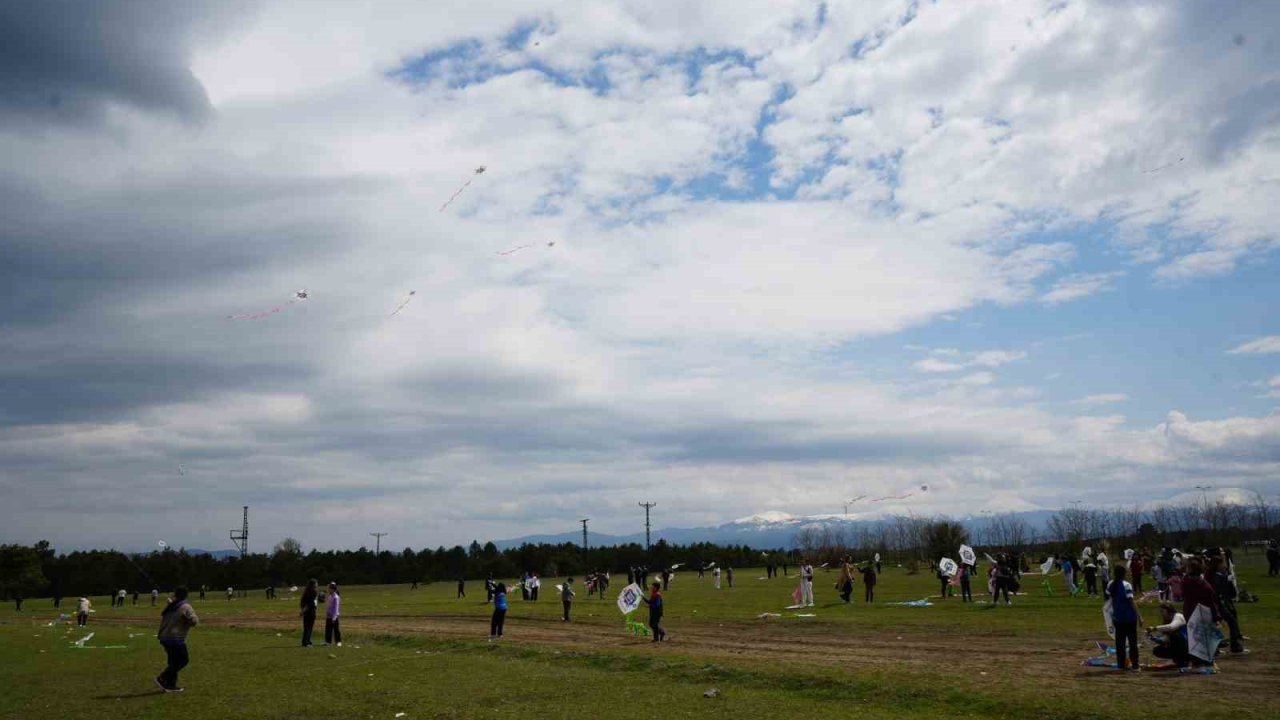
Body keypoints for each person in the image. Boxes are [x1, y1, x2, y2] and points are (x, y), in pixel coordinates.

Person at [155, 586, 199, 693]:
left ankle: (170, 685)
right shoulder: (185, 606)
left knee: (173, 662)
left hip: (164, 637)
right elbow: (194, 621)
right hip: (175, 638)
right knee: (183, 660)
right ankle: (162, 677)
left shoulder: (170, 606)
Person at [1207, 556, 1246, 655]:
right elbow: (1218, 589)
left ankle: (1216, 648)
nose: (1223, 566)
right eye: (1221, 563)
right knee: (1231, 622)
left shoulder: (1216, 575)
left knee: (1218, 624)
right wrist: (1226, 579)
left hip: (1220, 603)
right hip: (1217, 604)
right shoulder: (1215, 576)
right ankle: (1235, 647)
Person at [1108, 566, 1140, 671]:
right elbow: (1131, 602)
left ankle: (1121, 664)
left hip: (1118, 618)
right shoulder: (1127, 585)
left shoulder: (1110, 584)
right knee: (1132, 642)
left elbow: (1109, 599)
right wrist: (1140, 616)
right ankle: (1135, 665)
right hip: (1130, 618)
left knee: (1120, 643)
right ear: (1124, 573)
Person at [1147, 602, 1189, 667]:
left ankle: (1183, 660)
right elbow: (1166, 638)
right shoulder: (1167, 620)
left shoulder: (1178, 616)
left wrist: (1154, 628)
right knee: (1157, 650)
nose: (1161, 614)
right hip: (1179, 644)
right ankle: (1177, 660)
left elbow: (1171, 627)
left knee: (1175, 636)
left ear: (1169, 611)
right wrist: (1154, 638)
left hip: (1186, 644)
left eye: (1162, 611)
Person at [299, 579, 318, 647]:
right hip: (310, 611)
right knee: (308, 627)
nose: (317, 585)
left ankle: (307, 640)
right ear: (313, 584)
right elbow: (309, 604)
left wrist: (302, 610)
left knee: (307, 627)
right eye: (316, 583)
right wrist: (303, 611)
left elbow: (302, 602)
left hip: (308, 611)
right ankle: (305, 642)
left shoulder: (306, 591)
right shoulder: (313, 592)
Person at [323, 582, 342, 647]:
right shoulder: (330, 596)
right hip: (329, 615)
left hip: (334, 616)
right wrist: (327, 612)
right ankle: (328, 641)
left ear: (333, 589)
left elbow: (336, 608)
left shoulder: (336, 597)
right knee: (328, 629)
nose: (328, 590)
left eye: (329, 588)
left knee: (336, 629)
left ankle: (338, 641)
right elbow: (328, 606)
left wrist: (334, 618)